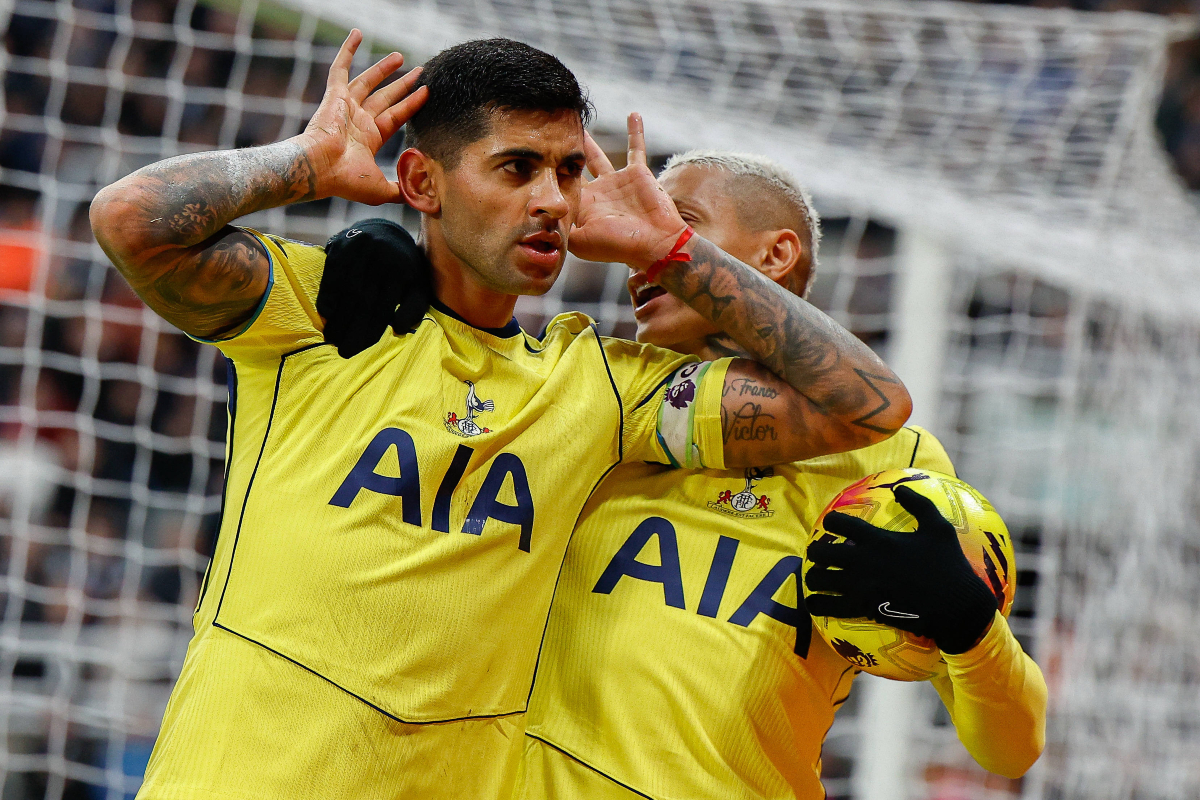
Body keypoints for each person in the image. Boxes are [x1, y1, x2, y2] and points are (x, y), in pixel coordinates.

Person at [88, 33, 911, 800]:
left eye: (566, 171)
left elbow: (869, 405)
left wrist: (673, 252)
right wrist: (304, 164)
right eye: (516, 168)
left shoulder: (602, 387)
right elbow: (131, 221)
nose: (552, 199)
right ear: (421, 182)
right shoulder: (319, 316)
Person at [323, 152, 1048, 799]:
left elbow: (1012, 748)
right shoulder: (591, 399)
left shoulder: (896, 465)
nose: (641, 260)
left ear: (774, 255)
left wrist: (970, 628)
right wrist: (418, 269)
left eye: (677, 222)